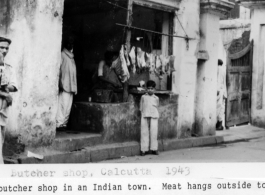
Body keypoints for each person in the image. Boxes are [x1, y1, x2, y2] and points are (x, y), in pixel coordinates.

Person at [0, 37, 18, 164]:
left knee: (1, 138)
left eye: (7, 48)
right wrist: (4, 94)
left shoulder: (8, 68)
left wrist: (6, 88)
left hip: (3, 109)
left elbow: (13, 85)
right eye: (1, 47)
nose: (4, 50)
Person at [56, 35, 77, 130]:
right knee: (62, 105)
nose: (70, 44)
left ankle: (64, 124)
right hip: (64, 84)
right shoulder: (62, 54)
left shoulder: (72, 57)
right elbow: (59, 70)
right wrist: (60, 83)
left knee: (68, 106)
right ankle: (59, 124)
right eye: (68, 42)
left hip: (71, 85)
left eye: (72, 43)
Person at [139, 80, 159, 156]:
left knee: (154, 132)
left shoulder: (156, 98)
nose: (150, 90)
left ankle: (154, 149)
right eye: (149, 88)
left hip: (154, 115)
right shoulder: (143, 97)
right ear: (146, 89)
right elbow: (141, 107)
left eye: (152, 88)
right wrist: (143, 113)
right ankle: (144, 149)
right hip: (145, 115)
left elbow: (157, 106)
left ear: (154, 89)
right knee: (144, 132)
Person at [216, 59, 227, 130]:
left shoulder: (217, 69)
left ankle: (218, 124)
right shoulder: (223, 70)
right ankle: (219, 124)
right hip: (223, 90)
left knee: (217, 107)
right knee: (221, 107)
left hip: (218, 90)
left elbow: (218, 80)